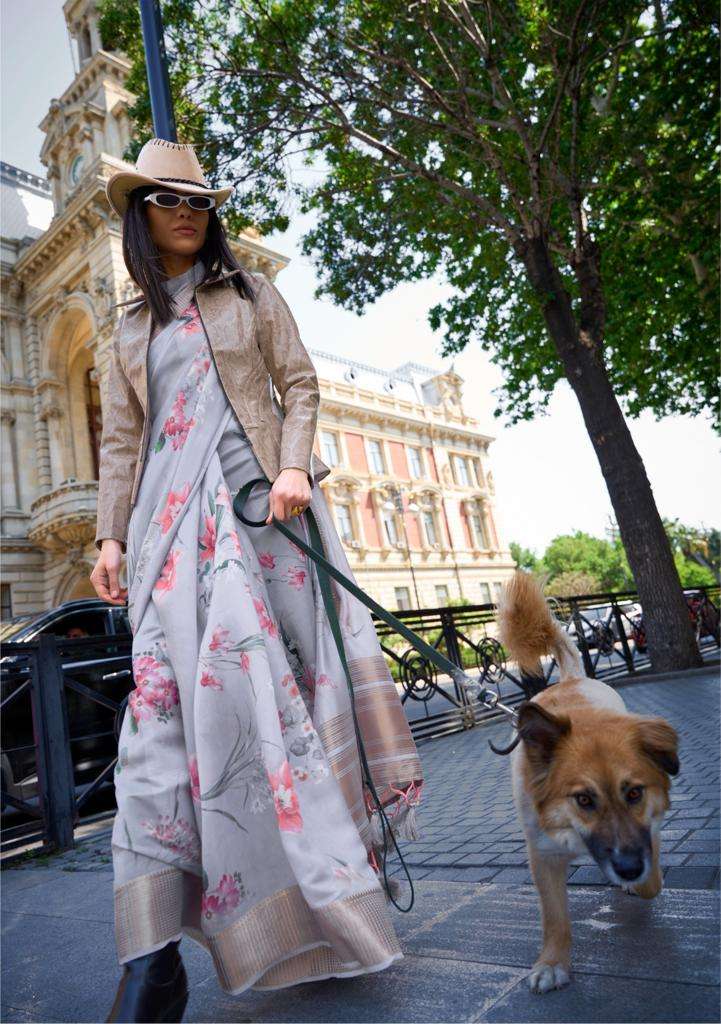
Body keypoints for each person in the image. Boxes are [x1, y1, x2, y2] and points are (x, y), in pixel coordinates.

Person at [90, 137, 423, 1023]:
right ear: (140, 215)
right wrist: (108, 538)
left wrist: (293, 468)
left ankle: (329, 902)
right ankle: (152, 957)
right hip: (169, 536)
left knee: (292, 705)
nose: (187, 214)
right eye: (167, 201)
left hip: (261, 513)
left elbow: (300, 383)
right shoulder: (125, 329)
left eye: (198, 201)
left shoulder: (248, 292)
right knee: (157, 728)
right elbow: (121, 442)